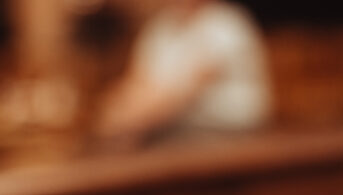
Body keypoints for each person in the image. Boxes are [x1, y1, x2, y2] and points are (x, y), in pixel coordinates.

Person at [98, 0, 272, 139]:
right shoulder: (160, 27)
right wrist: (114, 116)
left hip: (232, 136)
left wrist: (125, 124)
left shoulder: (225, 24)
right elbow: (136, 82)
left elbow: (181, 96)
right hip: (175, 131)